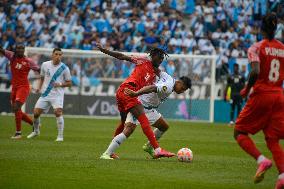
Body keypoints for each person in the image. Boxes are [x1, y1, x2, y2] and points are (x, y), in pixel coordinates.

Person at [96, 43, 175, 159]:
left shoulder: (155, 72)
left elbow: (158, 81)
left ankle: (109, 152)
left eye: (163, 58)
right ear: (152, 55)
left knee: (124, 124)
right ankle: (157, 149)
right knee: (143, 120)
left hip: (123, 92)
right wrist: (106, 51)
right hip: (129, 91)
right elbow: (122, 56)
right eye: (159, 57)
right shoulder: (142, 60)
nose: (161, 60)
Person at [234, 13, 284, 189]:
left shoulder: (257, 47)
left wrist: (247, 89)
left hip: (262, 94)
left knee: (239, 132)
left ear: (260, 29)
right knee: (272, 138)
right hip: (279, 95)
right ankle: (282, 176)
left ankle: (262, 160)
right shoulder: (282, 48)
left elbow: (255, 71)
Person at [101, 72, 191, 159]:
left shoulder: (169, 78)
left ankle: (149, 147)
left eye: (184, 90)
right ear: (179, 82)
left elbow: (158, 71)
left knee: (163, 126)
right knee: (129, 129)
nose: (182, 91)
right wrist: (136, 93)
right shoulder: (168, 86)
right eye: (182, 88)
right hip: (139, 106)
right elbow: (152, 88)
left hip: (149, 109)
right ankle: (107, 153)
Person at [27, 48, 72, 142]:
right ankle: (36, 131)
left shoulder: (64, 68)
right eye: (56, 54)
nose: (58, 56)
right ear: (52, 55)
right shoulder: (45, 64)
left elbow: (69, 83)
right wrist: (39, 88)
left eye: (60, 55)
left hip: (57, 95)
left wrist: (59, 84)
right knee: (35, 113)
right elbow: (42, 77)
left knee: (58, 112)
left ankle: (60, 136)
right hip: (46, 94)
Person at [0, 44, 40, 139]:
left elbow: (39, 70)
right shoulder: (11, 56)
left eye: (22, 48)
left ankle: (18, 133)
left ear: (24, 50)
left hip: (23, 87)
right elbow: (1, 50)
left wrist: (43, 78)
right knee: (16, 110)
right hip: (14, 88)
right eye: (18, 48)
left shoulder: (29, 61)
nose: (20, 50)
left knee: (17, 107)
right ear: (15, 49)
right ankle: (34, 124)